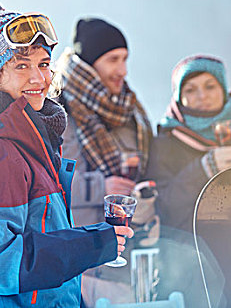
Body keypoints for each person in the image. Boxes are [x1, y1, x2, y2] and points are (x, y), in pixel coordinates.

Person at [0, 0, 133, 307]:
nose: (39, 79)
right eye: (21, 66)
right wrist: (93, 243)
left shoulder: (29, 136)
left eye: (43, 64)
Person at [54, 18, 153, 304]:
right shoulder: (59, 110)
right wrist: (102, 187)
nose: (122, 70)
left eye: (125, 59)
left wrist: (143, 200)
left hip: (125, 251)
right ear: (90, 63)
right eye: (113, 60)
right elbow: (51, 185)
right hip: (78, 253)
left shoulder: (130, 110)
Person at [145, 54, 231, 233]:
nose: (202, 96)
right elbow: (162, 208)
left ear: (223, 89)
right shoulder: (165, 144)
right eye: (190, 90)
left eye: (210, 87)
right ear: (179, 97)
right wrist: (203, 168)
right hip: (189, 249)